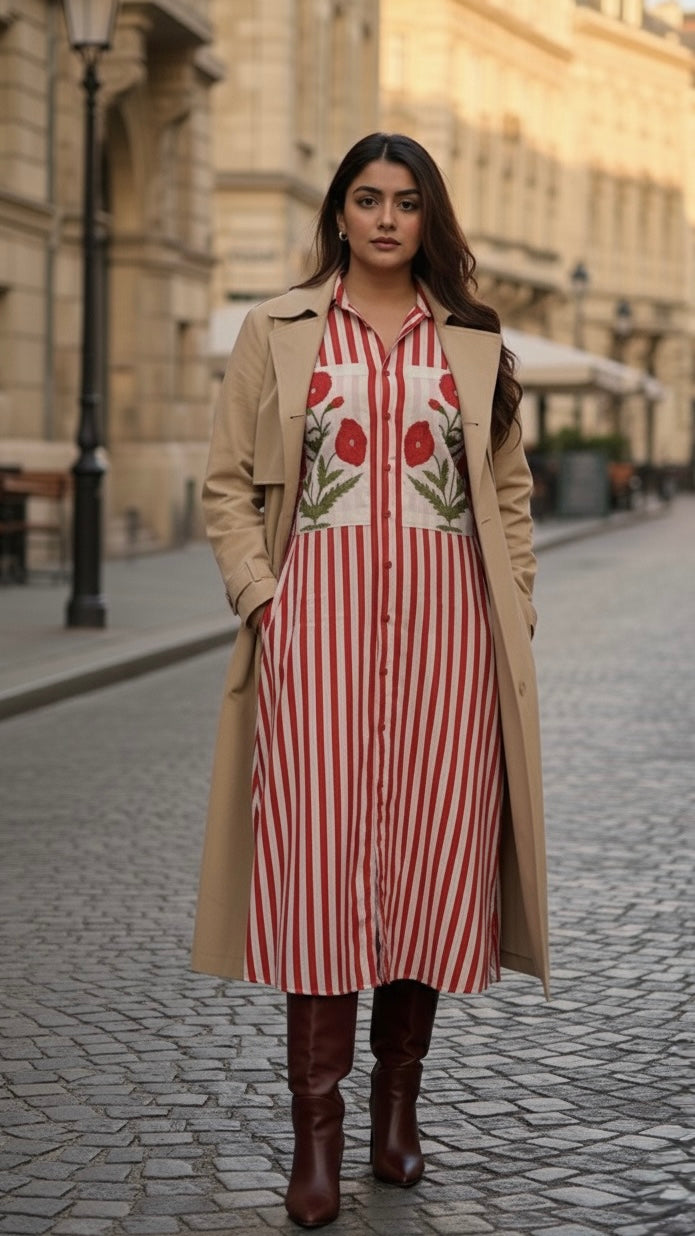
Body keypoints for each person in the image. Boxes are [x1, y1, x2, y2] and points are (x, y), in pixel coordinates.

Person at [192, 132, 549, 1229]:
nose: (385, 218)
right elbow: (224, 487)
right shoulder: (276, 330)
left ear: (427, 218)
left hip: (450, 644)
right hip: (316, 642)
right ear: (338, 213)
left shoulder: (472, 344)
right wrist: (265, 598)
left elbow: (509, 495)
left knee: (429, 870)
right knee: (315, 878)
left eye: (404, 202)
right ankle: (316, 1134)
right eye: (366, 200)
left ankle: (399, 1107)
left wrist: (512, 614)